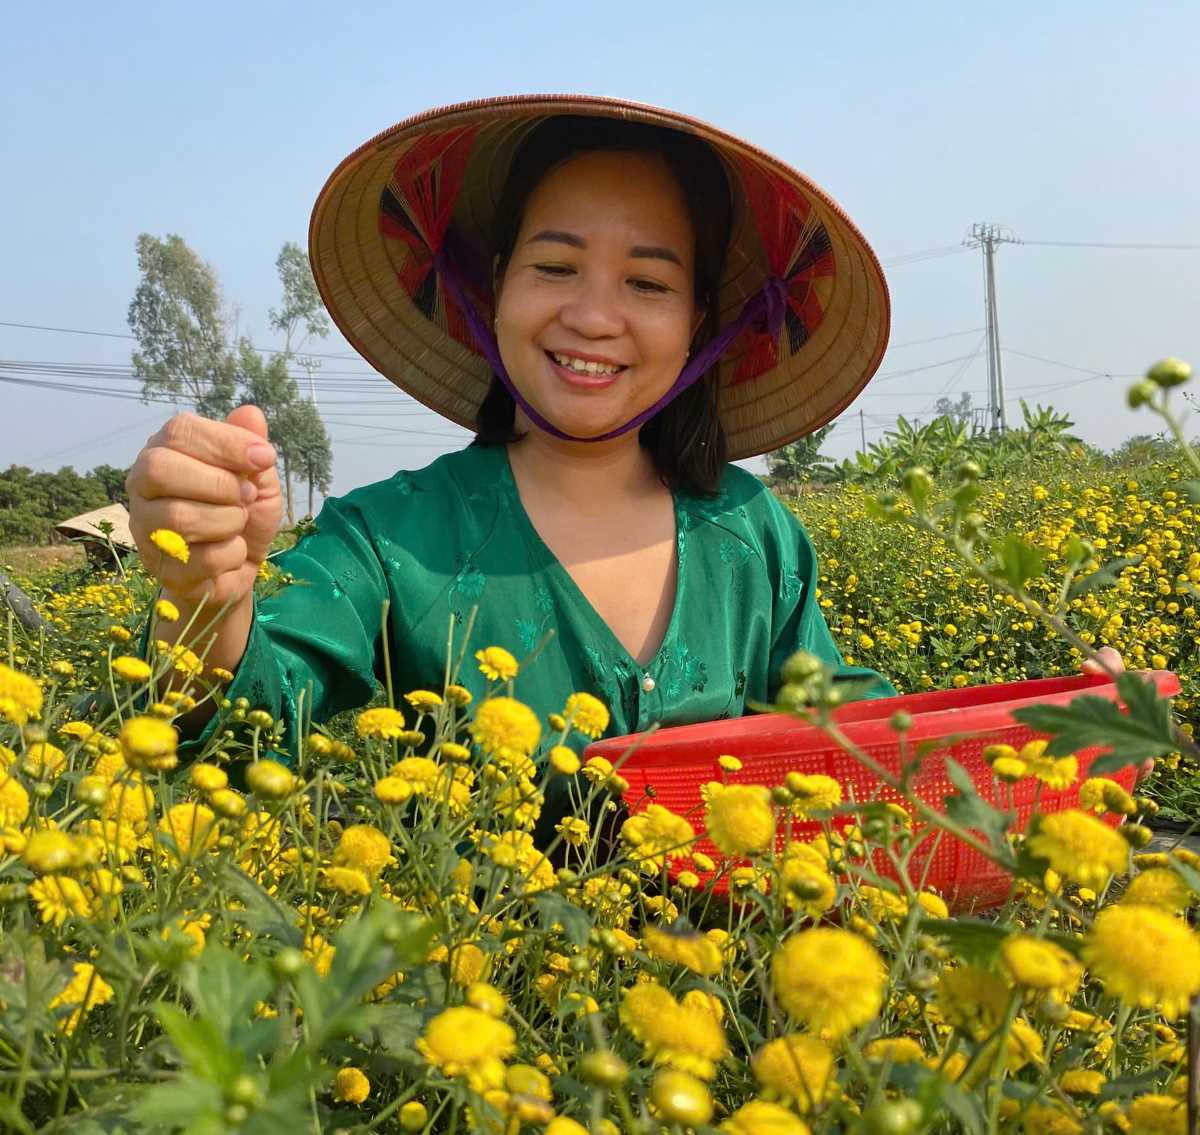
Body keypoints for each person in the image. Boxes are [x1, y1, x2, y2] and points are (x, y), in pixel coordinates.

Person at [125, 96, 1130, 793]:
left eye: (648, 283)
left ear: (701, 324)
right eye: (556, 265)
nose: (596, 316)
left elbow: (857, 735)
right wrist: (205, 595)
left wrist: (1047, 725)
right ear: (491, 292)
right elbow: (240, 731)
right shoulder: (391, 540)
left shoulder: (754, 533)